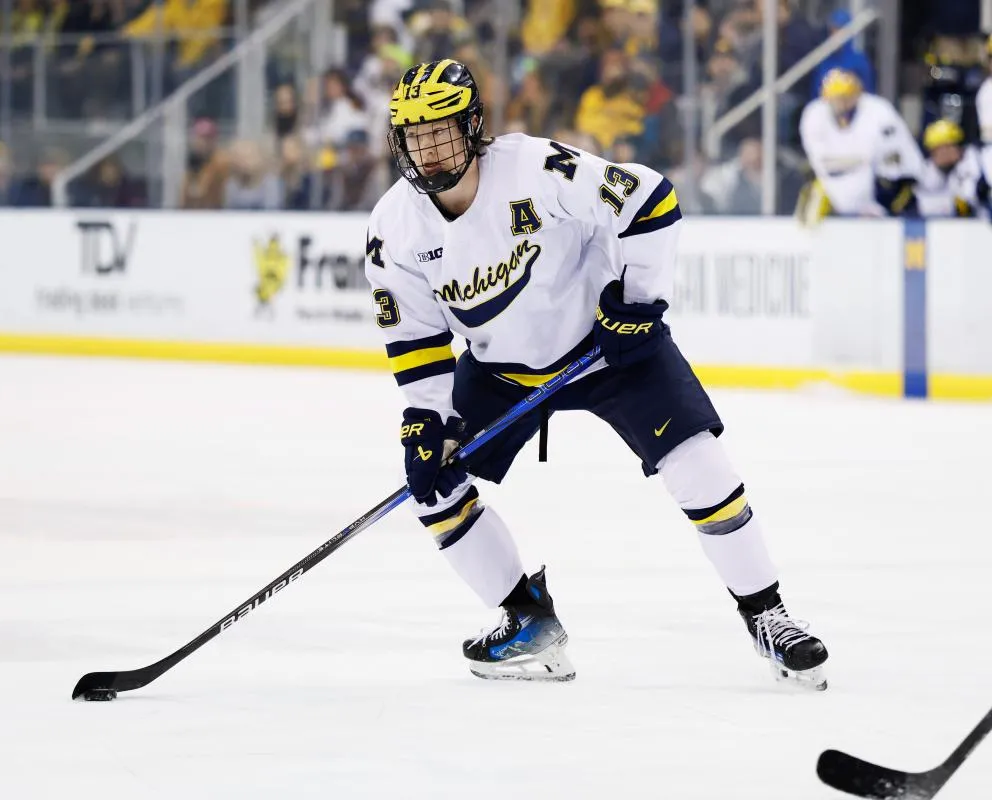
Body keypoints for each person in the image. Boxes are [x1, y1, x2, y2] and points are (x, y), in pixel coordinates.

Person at [363, 58, 829, 688]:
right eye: (415, 135)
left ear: (473, 127)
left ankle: (768, 616)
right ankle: (526, 621)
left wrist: (636, 305)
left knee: (699, 464)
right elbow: (417, 340)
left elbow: (651, 198)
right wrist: (427, 419)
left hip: (607, 350)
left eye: (442, 130)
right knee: (428, 483)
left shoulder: (535, 168)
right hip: (502, 371)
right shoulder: (393, 228)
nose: (430, 148)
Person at [797, 68, 923, 223]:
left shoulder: (879, 111)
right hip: (840, 192)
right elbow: (822, 163)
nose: (842, 104)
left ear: (857, 94)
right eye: (837, 99)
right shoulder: (814, 114)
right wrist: (861, 161)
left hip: (889, 188)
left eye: (846, 97)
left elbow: (894, 163)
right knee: (812, 206)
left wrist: (877, 198)